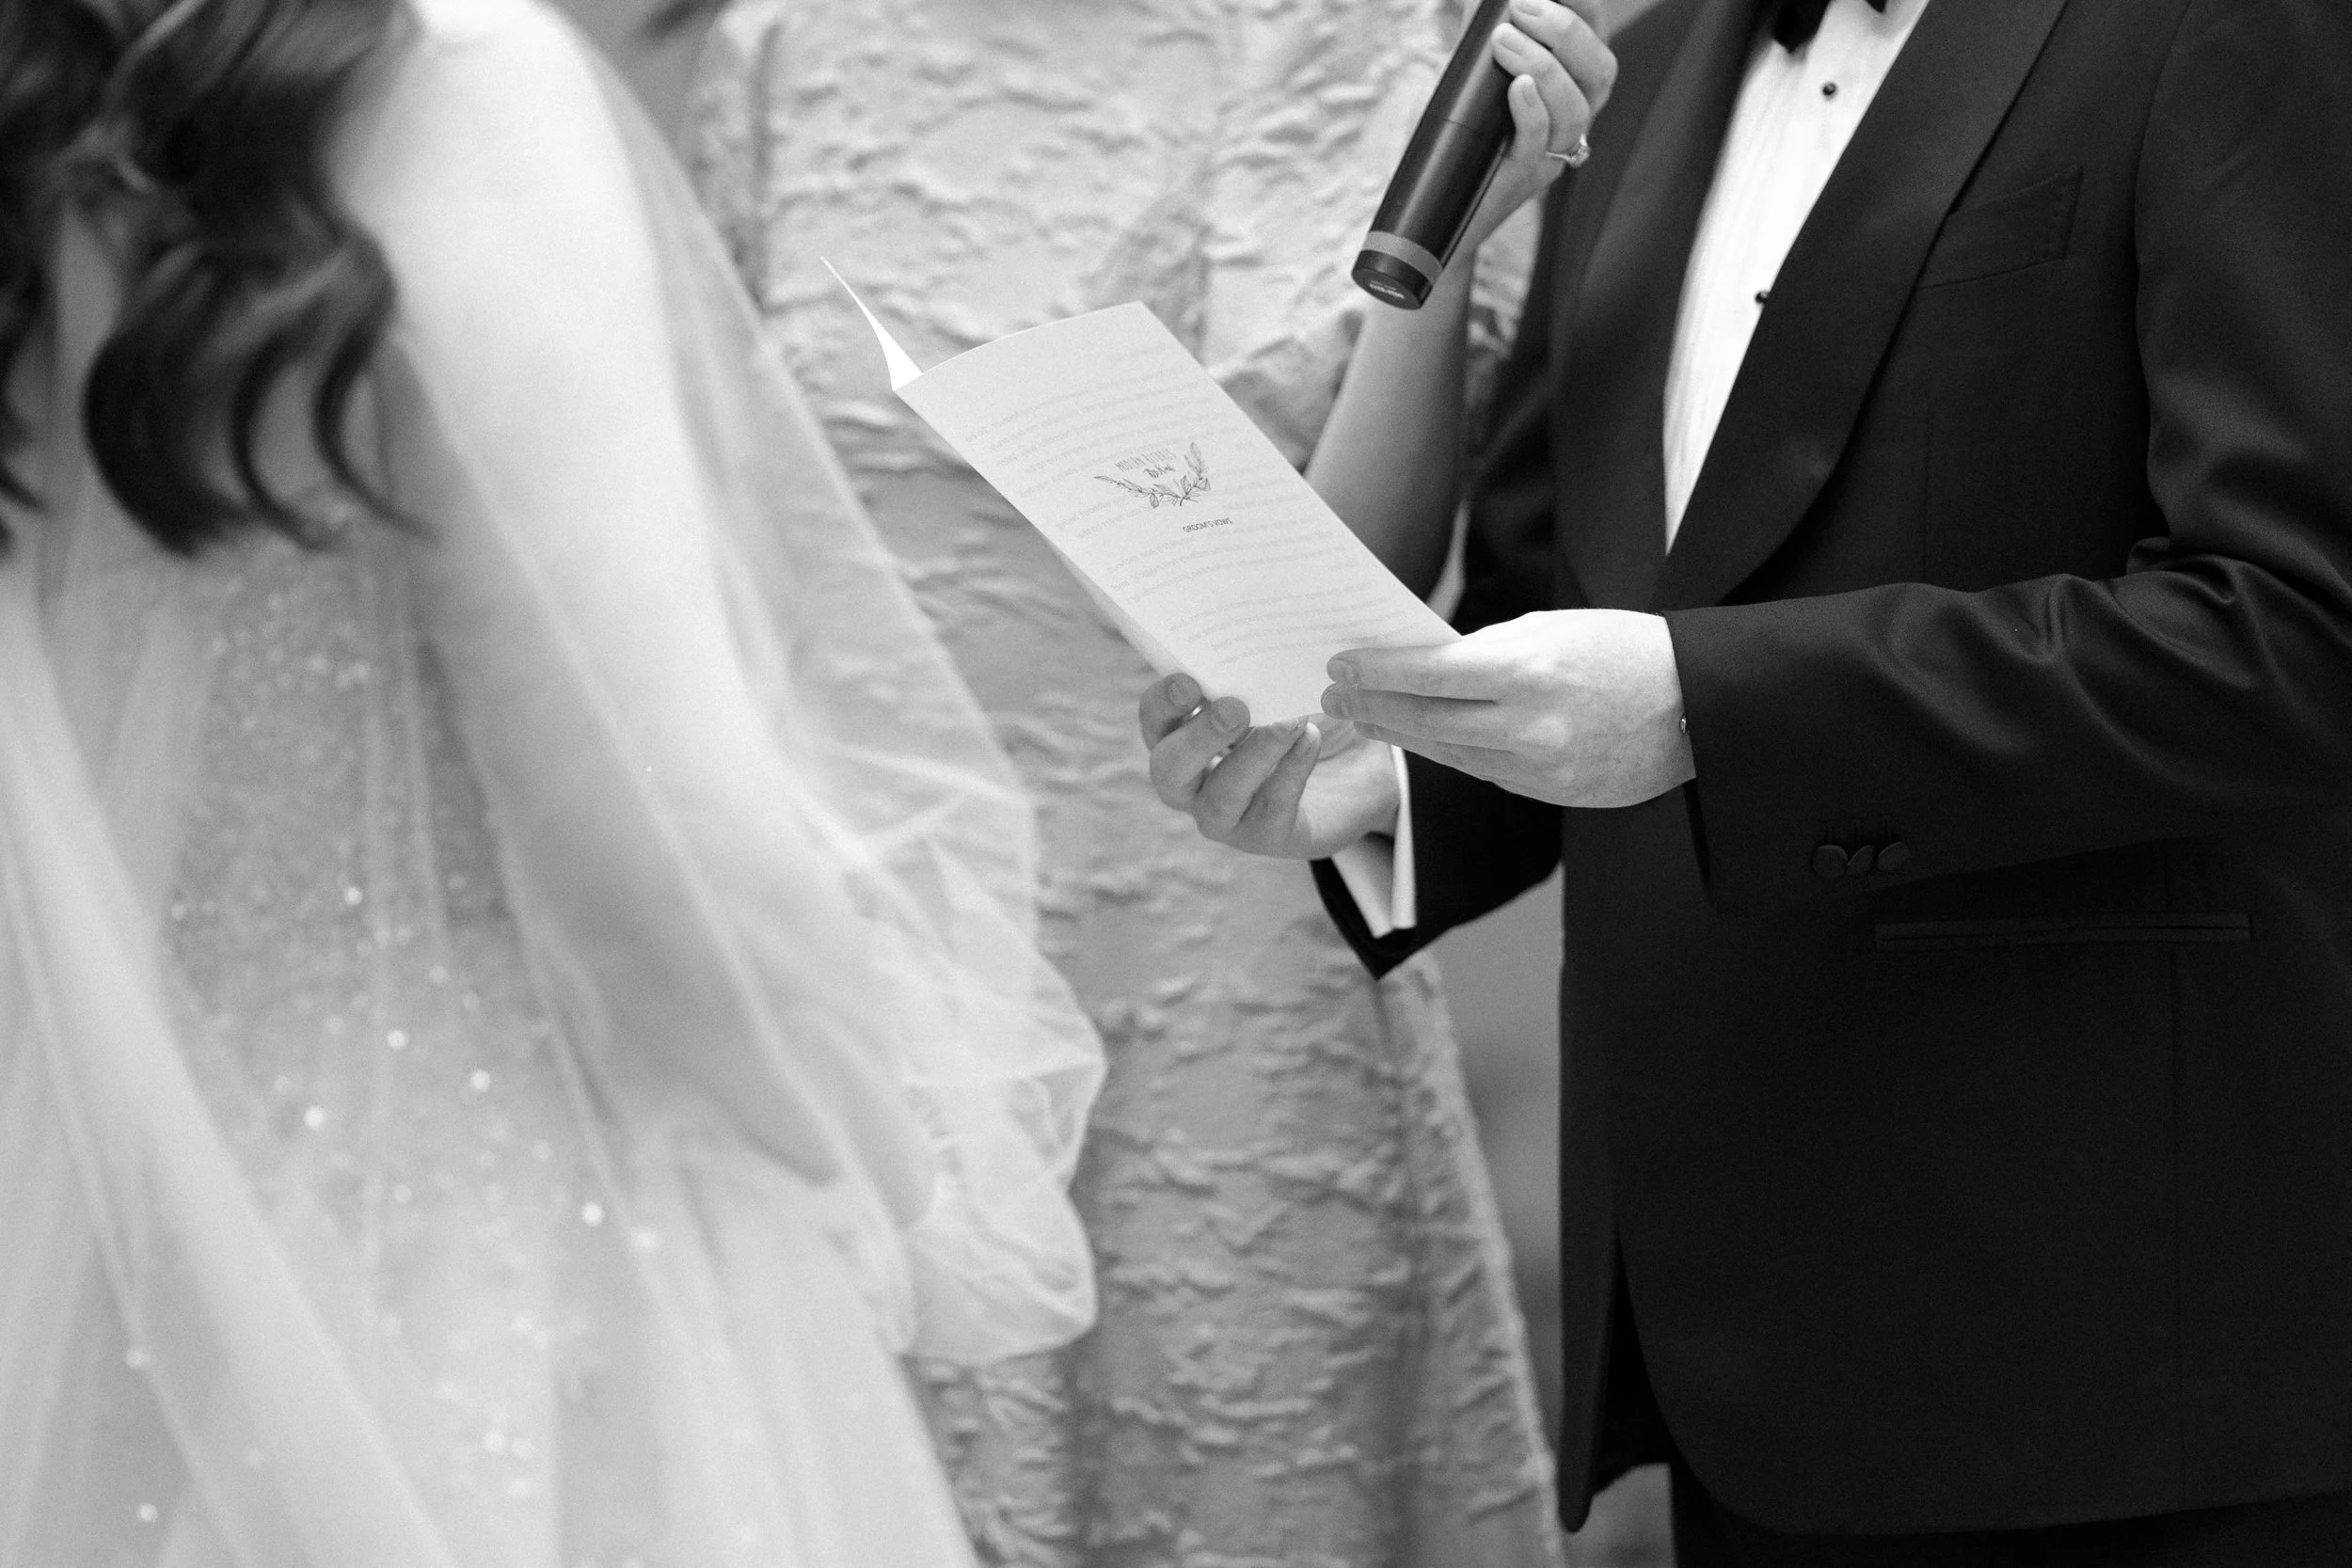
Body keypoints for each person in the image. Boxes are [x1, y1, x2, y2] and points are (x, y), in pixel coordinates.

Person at [1142, 0, 2352, 1561]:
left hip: (2129, 1329)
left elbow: (2301, 622)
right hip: (1743, 1333)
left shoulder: (2237, 26)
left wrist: (1711, 707)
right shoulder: (1621, 93)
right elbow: (1558, 609)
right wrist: (1386, 796)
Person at [0, 0, 1103, 1563]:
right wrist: (899, 1170)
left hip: (102, 1258)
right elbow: (663, 867)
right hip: (499, 1262)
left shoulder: (38, 142)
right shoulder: (443, 86)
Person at [683, 2, 1595, 1562]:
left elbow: (1353, 631)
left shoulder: (1387, 44)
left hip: (1234, 968)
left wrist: (1431, 279)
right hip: (864, 974)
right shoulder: (770, 45)